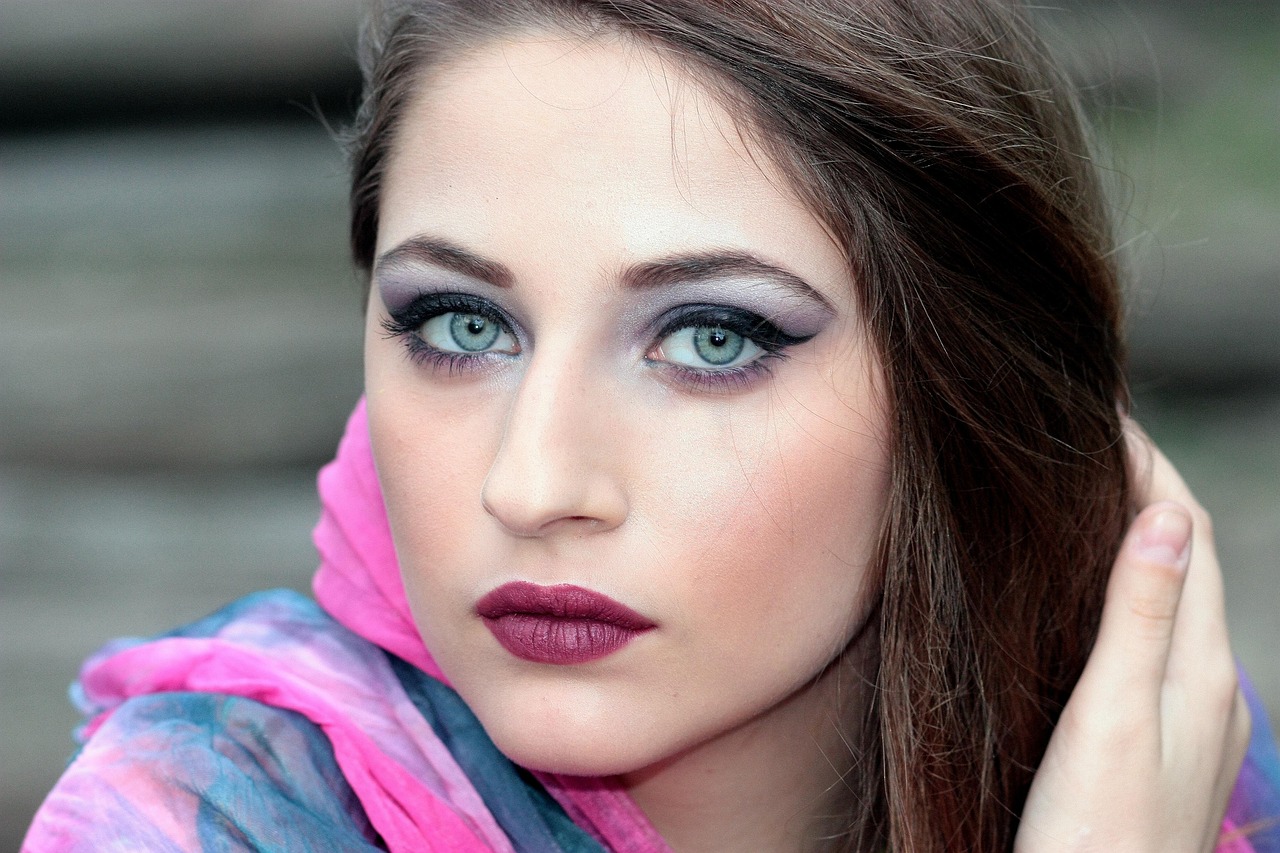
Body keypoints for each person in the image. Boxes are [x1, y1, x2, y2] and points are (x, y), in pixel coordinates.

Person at [23, 0, 1280, 850]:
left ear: (968, 394)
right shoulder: (208, 819)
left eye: (711, 338)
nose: (532, 483)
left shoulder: (1164, 768)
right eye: (461, 323)